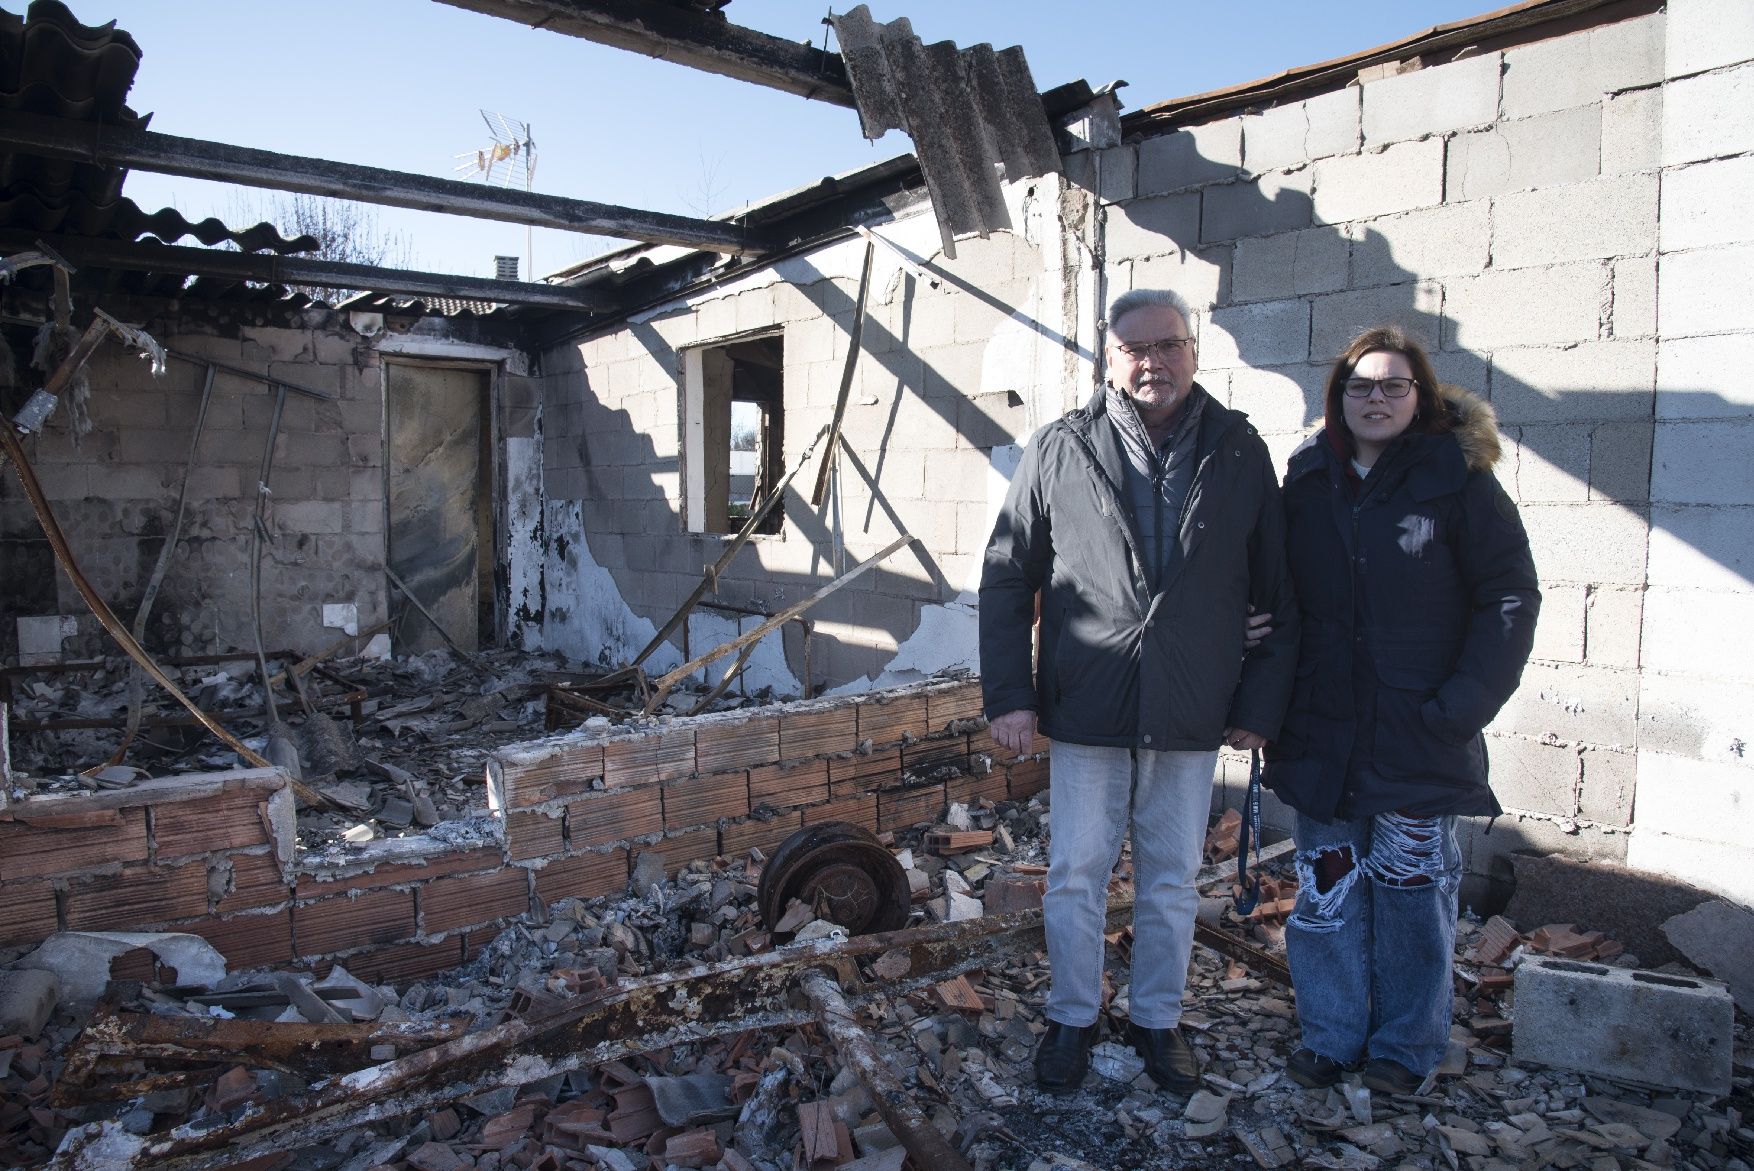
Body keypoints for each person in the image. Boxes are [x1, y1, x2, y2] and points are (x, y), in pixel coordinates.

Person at [979, 288, 1298, 1095]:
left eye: (1169, 344)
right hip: (1088, 701)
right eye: (1135, 348)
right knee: (1076, 872)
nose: (1152, 361)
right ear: (1109, 357)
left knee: (1169, 878)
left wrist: (1257, 706)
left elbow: (1277, 590)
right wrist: (1010, 695)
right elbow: (1008, 576)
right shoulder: (1060, 447)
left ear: (1193, 351)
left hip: (1192, 706)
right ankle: (1073, 1016)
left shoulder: (1237, 449)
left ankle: (1158, 1020)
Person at [1264, 326, 1539, 1095]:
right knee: (1328, 888)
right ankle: (1330, 1032)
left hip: (1420, 736)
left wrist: (1461, 707)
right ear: (1338, 398)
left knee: (1414, 896)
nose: (1376, 398)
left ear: (1419, 397)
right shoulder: (1309, 481)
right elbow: (1278, 591)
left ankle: (1404, 1045)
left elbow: (1510, 596)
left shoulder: (1458, 482)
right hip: (1321, 735)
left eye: (1393, 385)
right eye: (1361, 385)